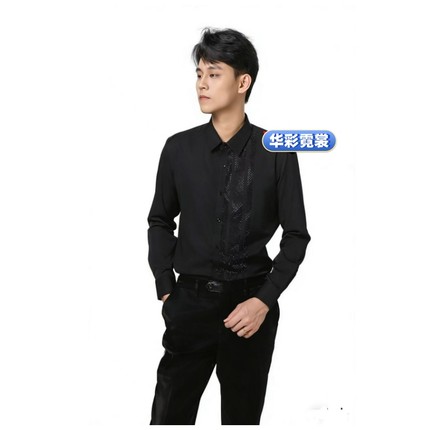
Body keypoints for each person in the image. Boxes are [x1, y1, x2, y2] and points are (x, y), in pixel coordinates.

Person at [147, 27, 311, 425]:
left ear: (243, 82)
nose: (202, 84)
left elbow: (295, 236)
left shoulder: (277, 152)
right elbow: (160, 220)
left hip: (250, 309)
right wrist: (167, 287)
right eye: (199, 73)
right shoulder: (178, 148)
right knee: (169, 416)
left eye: (214, 73)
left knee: (241, 418)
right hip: (189, 306)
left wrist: (263, 300)